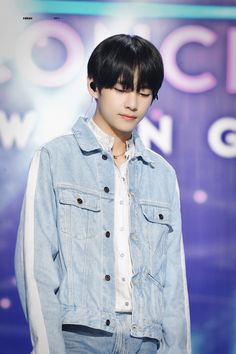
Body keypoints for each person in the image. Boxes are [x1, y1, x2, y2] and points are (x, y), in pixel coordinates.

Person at [15, 34, 191, 354]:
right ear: (93, 85)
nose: (133, 103)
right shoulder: (56, 158)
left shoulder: (162, 175)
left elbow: (174, 281)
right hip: (79, 339)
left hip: (145, 341)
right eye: (122, 89)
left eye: (144, 92)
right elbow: (36, 267)